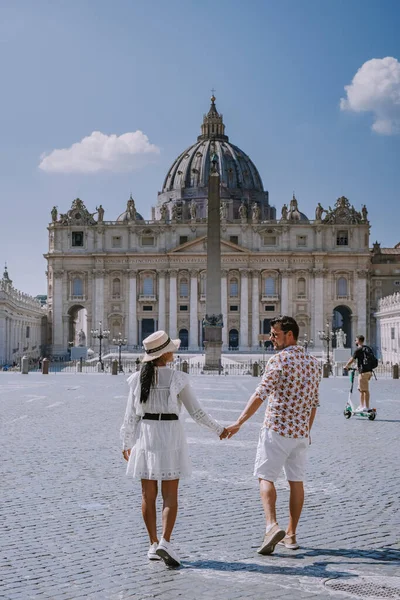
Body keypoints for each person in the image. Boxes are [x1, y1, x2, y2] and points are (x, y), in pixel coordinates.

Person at [120, 330, 226, 567]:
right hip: (170, 434)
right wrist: (219, 429)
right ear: (165, 353)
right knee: (170, 495)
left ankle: (152, 543)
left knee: (147, 495)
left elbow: (130, 416)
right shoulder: (178, 378)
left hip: (146, 433)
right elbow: (196, 413)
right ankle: (165, 542)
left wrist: (126, 443)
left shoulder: (138, 378)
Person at [221, 316, 321, 554]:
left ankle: (271, 525)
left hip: (276, 429)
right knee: (297, 484)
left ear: (290, 334)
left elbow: (260, 394)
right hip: (300, 433)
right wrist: (307, 431)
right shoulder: (314, 363)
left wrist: (239, 422)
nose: (271, 339)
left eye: (275, 334)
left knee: (265, 478)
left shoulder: (278, 361)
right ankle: (292, 535)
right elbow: (315, 403)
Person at [344, 335, 374, 411]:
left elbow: (352, 359)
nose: (355, 341)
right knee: (362, 389)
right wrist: (358, 367)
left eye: (355, 340)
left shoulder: (358, 350)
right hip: (369, 371)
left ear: (358, 341)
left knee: (364, 390)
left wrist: (346, 366)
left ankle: (365, 407)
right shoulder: (367, 348)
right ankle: (363, 406)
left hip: (363, 372)